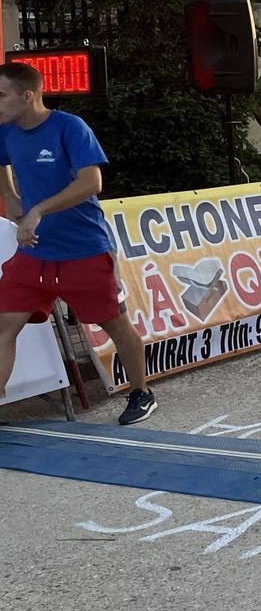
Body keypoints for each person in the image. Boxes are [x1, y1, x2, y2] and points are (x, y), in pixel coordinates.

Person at [0, 62, 156, 424]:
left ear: (27, 96)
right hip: (34, 254)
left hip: (83, 249)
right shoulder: (6, 131)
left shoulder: (70, 127)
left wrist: (37, 209)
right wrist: (11, 197)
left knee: (114, 324)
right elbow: (2, 164)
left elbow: (92, 183)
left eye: (1, 95)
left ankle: (141, 392)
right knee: (5, 325)